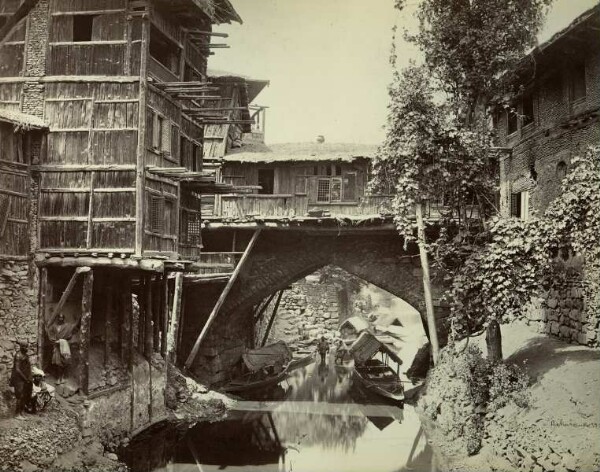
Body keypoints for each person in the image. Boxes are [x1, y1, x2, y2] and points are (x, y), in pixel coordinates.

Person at [48, 313, 73, 384]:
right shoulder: (54, 327)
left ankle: (63, 377)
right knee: (58, 363)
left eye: (62, 318)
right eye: (59, 317)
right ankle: (59, 378)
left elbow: (69, 336)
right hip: (57, 347)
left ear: (63, 318)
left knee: (65, 362)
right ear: (57, 318)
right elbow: (50, 334)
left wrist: (62, 341)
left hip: (64, 346)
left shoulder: (67, 326)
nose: (61, 319)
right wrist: (55, 341)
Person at [9, 340, 32, 418]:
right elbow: (17, 369)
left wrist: (29, 377)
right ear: (21, 347)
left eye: (27, 347)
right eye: (24, 347)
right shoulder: (18, 355)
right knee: (19, 396)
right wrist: (25, 378)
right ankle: (17, 414)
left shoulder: (25, 355)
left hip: (25, 378)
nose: (26, 348)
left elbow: (28, 367)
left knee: (24, 395)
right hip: (19, 379)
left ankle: (21, 412)